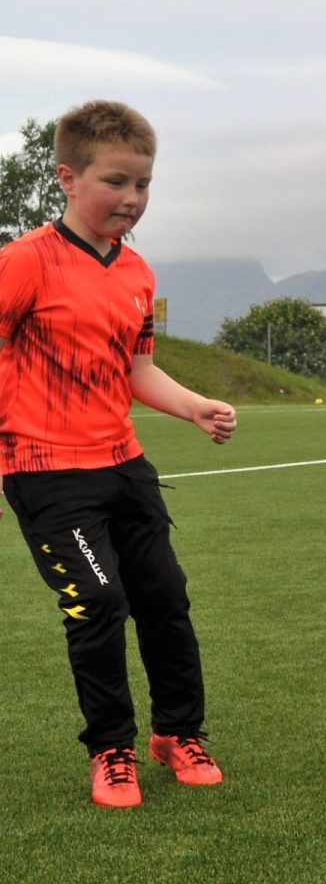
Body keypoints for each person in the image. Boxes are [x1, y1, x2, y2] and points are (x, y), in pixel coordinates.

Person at [0, 100, 237, 808]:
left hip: (122, 463)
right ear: (68, 178)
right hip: (45, 468)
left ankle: (177, 734)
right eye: (116, 182)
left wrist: (193, 405)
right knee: (97, 601)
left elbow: (135, 370)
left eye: (144, 185)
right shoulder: (23, 262)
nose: (131, 200)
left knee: (165, 597)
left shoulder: (136, 274)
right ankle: (111, 749)